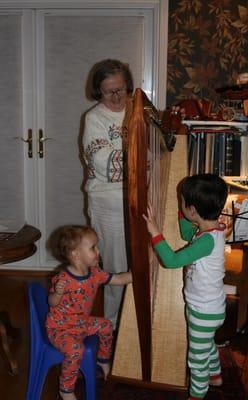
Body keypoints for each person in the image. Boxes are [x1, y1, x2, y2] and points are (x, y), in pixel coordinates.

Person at [143, 173, 228, 400]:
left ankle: (197, 395)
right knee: (206, 344)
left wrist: (154, 232)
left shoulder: (206, 241)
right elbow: (186, 233)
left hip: (204, 311)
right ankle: (215, 376)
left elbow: (171, 261)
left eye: (183, 203)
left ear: (193, 210)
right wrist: (182, 210)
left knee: (196, 357)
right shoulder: (212, 231)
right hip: (209, 308)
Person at [45, 225, 132, 400]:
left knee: (106, 325)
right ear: (76, 254)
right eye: (93, 248)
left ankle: (103, 359)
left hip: (81, 324)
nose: (98, 251)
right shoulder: (63, 279)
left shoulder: (95, 273)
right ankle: (66, 389)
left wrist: (136, 273)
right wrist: (58, 293)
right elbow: (51, 302)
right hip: (60, 330)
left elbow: (118, 279)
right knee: (77, 350)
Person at [82, 59, 133, 329]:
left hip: (137, 201)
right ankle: (112, 328)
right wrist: (138, 161)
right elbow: (102, 164)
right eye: (108, 91)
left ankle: (133, 321)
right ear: (98, 91)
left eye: (120, 89)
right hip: (108, 204)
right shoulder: (94, 118)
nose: (115, 97)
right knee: (116, 269)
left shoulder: (138, 112)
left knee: (138, 264)